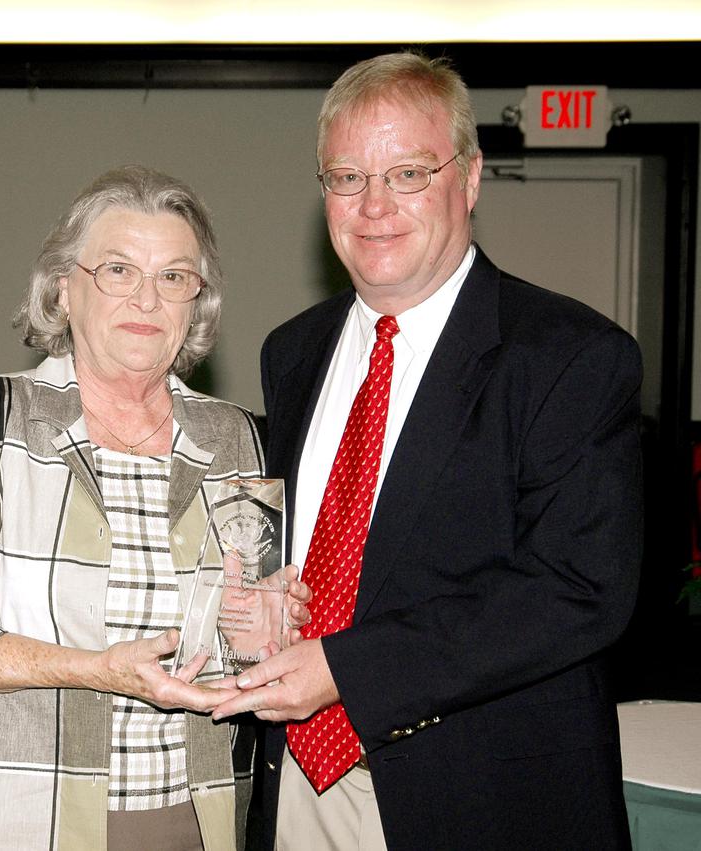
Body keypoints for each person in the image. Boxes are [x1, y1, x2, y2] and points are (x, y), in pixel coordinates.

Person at [213, 52, 643, 850]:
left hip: (483, 796)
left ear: (470, 178)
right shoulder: (293, 352)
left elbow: (578, 589)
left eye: (407, 173)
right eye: (346, 177)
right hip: (300, 785)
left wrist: (346, 668)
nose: (373, 205)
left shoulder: (570, 355)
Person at [0, 165, 309, 851]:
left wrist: (266, 629)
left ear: (195, 305)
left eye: (173, 277)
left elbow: (240, 638)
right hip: (11, 814)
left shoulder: (238, 438)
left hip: (193, 816)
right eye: (117, 269)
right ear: (63, 289)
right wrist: (90, 667)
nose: (147, 296)